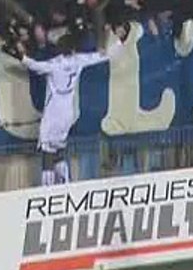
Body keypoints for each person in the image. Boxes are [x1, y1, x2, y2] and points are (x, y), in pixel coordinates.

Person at [11, 24, 128, 186]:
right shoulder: (78, 60)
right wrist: (120, 41)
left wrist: (21, 57)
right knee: (60, 150)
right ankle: (65, 184)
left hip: (53, 113)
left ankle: (47, 189)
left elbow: (35, 66)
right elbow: (103, 56)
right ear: (72, 49)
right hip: (67, 113)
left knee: (47, 153)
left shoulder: (54, 64)